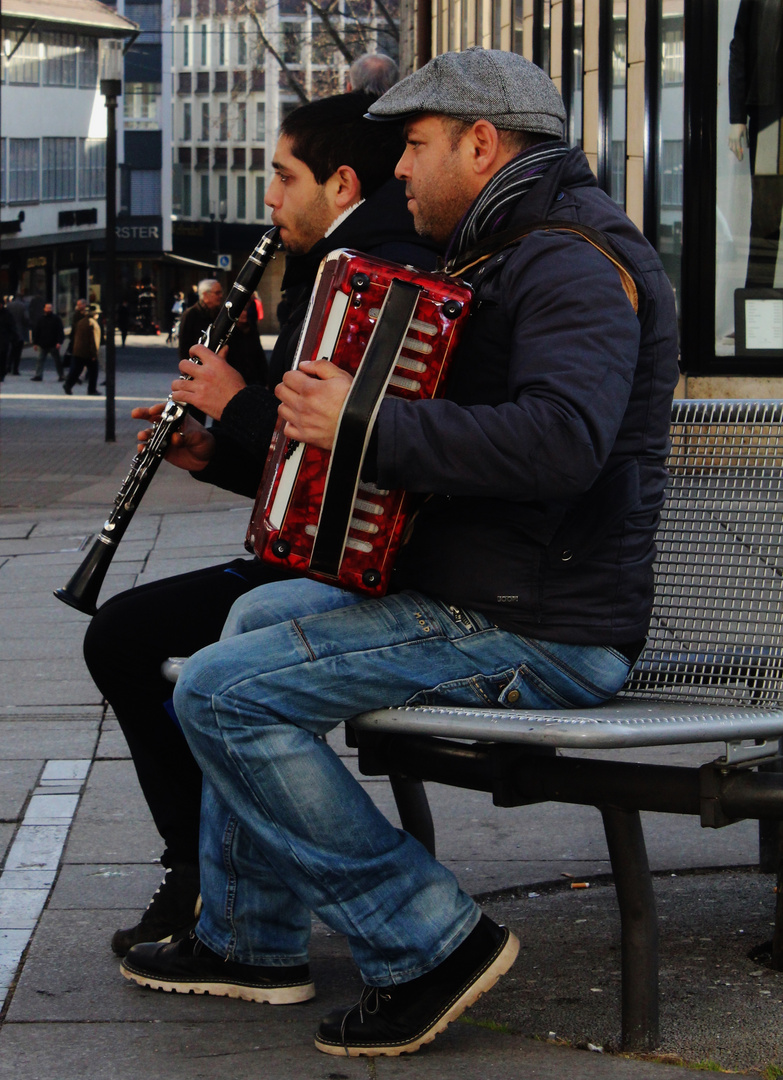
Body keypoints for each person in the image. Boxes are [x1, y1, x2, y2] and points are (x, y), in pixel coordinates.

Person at [118, 49, 680, 1058]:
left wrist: (363, 420)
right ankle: (251, 938)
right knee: (247, 622)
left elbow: (562, 443)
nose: (401, 172)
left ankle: (432, 941)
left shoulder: (570, 261)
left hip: (542, 627)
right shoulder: (507, 251)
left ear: (481, 142)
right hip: (492, 595)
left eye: (415, 147)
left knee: (221, 689)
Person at [82, 91, 438, 958]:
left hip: (367, 575)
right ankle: (215, 875)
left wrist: (237, 403)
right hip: (337, 555)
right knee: (139, 639)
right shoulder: (351, 256)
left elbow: (352, 455)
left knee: (127, 642)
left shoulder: (368, 271)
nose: (270, 202)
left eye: (283, 178)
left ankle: (203, 878)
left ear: (341, 180)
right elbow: (304, 472)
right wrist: (218, 453)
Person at [729, 0, 783, 289]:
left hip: (769, 111)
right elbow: (740, 46)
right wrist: (737, 116)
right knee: (765, 217)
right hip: (769, 115)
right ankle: (757, 308)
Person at [63, 303, 101, 395]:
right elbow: (93, 340)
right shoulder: (92, 323)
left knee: (77, 370)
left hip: (78, 351)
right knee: (93, 371)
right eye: (97, 313)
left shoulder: (81, 322)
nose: (98, 315)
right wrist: (94, 354)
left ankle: (68, 384)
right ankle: (91, 389)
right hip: (87, 352)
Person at [30, 302, 65, 381]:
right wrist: (35, 343)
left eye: (50, 308)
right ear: (44, 309)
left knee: (57, 361)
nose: (48, 309)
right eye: (47, 308)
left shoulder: (56, 319)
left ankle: (61, 375)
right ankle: (38, 375)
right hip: (43, 344)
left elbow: (60, 331)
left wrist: (59, 342)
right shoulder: (41, 319)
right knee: (40, 360)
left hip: (53, 343)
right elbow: (37, 331)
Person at [6, 294, 29, 375]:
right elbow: (25, 319)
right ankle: (15, 369)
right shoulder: (22, 306)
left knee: (10, 351)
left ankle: (8, 367)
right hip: (19, 332)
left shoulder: (8, 306)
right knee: (17, 352)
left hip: (9, 332)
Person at [0, 297, 20, 383]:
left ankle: (1, 374)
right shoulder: (7, 314)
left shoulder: (7, 314)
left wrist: (13, 338)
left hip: (3, 339)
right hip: (4, 338)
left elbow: (12, 327)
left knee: (3, 357)